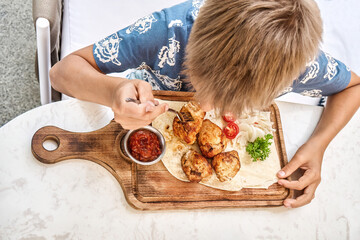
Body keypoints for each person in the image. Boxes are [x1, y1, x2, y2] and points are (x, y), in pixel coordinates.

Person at [50, 0, 360, 208]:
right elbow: (61, 73)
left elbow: (353, 87)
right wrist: (112, 91)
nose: (208, 107)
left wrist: (319, 144)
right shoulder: (166, 31)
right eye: (203, 87)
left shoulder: (300, 64)